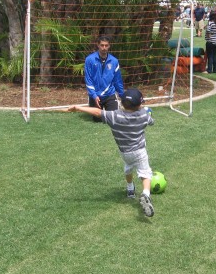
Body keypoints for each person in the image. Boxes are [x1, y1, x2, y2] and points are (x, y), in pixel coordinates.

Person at [67, 88, 156, 217]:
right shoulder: (143, 116)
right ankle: (146, 194)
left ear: (122, 102)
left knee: (128, 168)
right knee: (145, 173)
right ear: (139, 105)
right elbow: (151, 122)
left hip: (125, 153)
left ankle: (130, 189)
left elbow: (97, 112)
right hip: (140, 151)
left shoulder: (115, 116)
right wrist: (148, 113)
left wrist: (78, 107)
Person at [84, 35, 125, 121]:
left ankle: (113, 105)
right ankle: (92, 102)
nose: (104, 48)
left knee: (113, 118)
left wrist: (122, 96)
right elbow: (88, 79)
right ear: (98, 45)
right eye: (102, 45)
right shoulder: (89, 60)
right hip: (96, 95)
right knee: (97, 120)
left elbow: (117, 80)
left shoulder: (114, 61)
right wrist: (94, 95)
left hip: (109, 94)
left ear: (109, 46)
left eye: (106, 45)